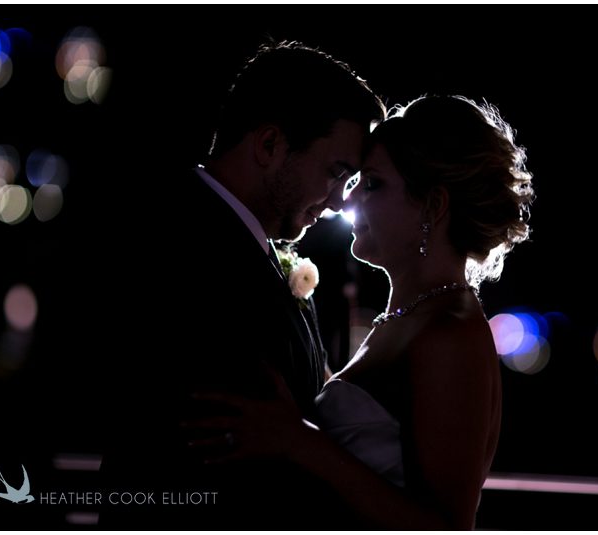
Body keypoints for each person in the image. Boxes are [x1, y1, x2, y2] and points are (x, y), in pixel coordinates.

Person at [185, 95, 534, 529]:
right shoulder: (408, 316)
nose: (348, 201)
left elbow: (445, 527)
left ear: (433, 205)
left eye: (372, 184)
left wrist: (300, 441)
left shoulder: (451, 333)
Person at [97, 40, 385, 528]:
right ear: (269, 144)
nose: (339, 201)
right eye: (336, 173)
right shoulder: (180, 244)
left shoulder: (244, 245)